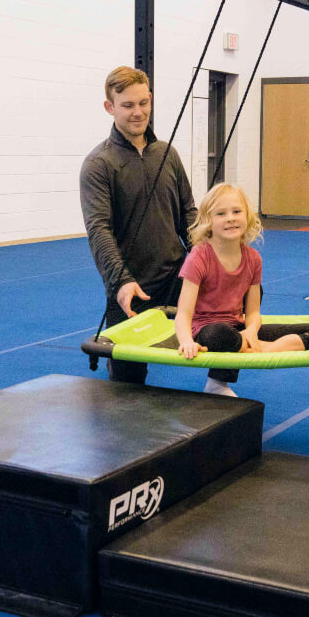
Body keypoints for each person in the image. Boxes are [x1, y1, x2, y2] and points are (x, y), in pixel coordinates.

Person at [80, 65, 236, 392]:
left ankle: (218, 382)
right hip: (131, 287)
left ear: (150, 99)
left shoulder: (167, 154)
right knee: (127, 386)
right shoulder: (99, 165)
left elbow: (190, 217)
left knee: (233, 300)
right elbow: (99, 230)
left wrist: (213, 257)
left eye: (143, 103)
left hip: (179, 277)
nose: (138, 113)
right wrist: (121, 281)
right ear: (109, 107)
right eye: (127, 106)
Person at [175, 183, 309, 395]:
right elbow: (183, 313)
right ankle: (225, 377)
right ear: (208, 222)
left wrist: (251, 332)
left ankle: (262, 349)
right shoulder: (199, 257)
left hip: (238, 329)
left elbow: (254, 312)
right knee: (217, 334)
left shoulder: (253, 259)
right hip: (208, 330)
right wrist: (186, 342)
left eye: (237, 211)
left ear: (247, 216)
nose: (230, 218)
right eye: (221, 213)